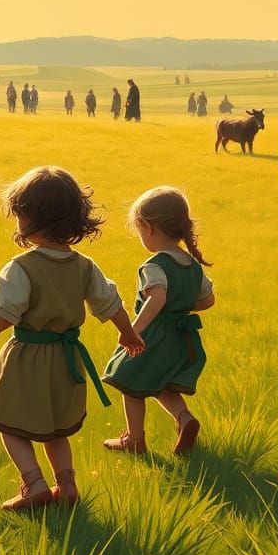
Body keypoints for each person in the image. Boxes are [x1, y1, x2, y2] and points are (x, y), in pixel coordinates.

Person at [0, 166, 143, 510]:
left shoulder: (21, 267)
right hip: (66, 364)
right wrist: (128, 334)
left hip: (27, 358)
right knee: (56, 429)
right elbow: (111, 304)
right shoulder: (84, 266)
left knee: (8, 422)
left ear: (28, 218)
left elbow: (6, 311)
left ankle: (34, 484)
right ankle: (66, 485)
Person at [101, 187, 214, 456]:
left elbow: (157, 298)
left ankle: (134, 440)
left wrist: (133, 331)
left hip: (153, 336)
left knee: (130, 383)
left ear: (148, 228)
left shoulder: (154, 265)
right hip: (181, 338)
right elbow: (208, 300)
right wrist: (180, 306)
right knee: (163, 383)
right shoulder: (191, 264)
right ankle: (185, 419)